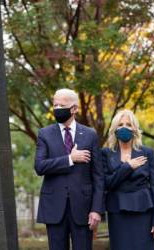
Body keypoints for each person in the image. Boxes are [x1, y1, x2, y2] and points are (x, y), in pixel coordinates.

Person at [34, 88, 104, 250]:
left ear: (74, 109)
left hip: (83, 208)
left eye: (62, 105)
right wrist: (70, 159)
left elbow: (98, 176)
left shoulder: (90, 134)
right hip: (54, 207)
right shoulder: (45, 134)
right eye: (55, 105)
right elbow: (40, 166)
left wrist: (96, 209)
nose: (57, 109)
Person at [102, 109, 154, 250]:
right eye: (120, 124)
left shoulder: (147, 152)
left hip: (144, 212)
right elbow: (107, 183)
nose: (124, 128)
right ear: (114, 128)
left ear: (134, 129)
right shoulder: (106, 153)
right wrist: (128, 167)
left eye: (128, 124)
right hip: (117, 212)